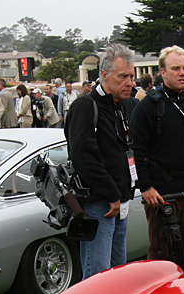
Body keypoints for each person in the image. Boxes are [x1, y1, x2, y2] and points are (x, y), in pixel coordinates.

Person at [131, 45, 184, 266]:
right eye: (176, 68)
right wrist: (145, 187)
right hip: (162, 193)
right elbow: (136, 149)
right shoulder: (148, 107)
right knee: (160, 257)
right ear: (163, 73)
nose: (182, 73)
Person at [66, 44, 137, 279]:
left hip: (119, 202)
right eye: (123, 76)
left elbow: (122, 150)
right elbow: (84, 158)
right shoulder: (86, 106)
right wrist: (112, 194)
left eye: (131, 76)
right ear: (104, 75)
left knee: (118, 275)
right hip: (99, 205)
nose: (130, 82)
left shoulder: (120, 106)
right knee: (98, 278)